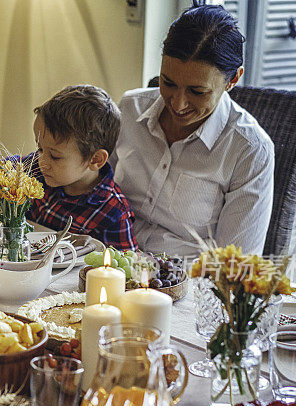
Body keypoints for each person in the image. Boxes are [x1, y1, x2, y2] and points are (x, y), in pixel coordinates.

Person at [110, 4, 274, 257]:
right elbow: (94, 185)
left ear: (234, 79)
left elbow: (235, 265)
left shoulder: (249, 150)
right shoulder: (130, 109)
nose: (177, 103)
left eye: (197, 91)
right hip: (111, 260)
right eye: (168, 82)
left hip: (186, 284)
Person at [0, 85, 136, 250]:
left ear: (96, 159)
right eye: (39, 148)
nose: (41, 161)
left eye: (55, 156)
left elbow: (125, 272)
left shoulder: (113, 213)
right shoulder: (33, 168)